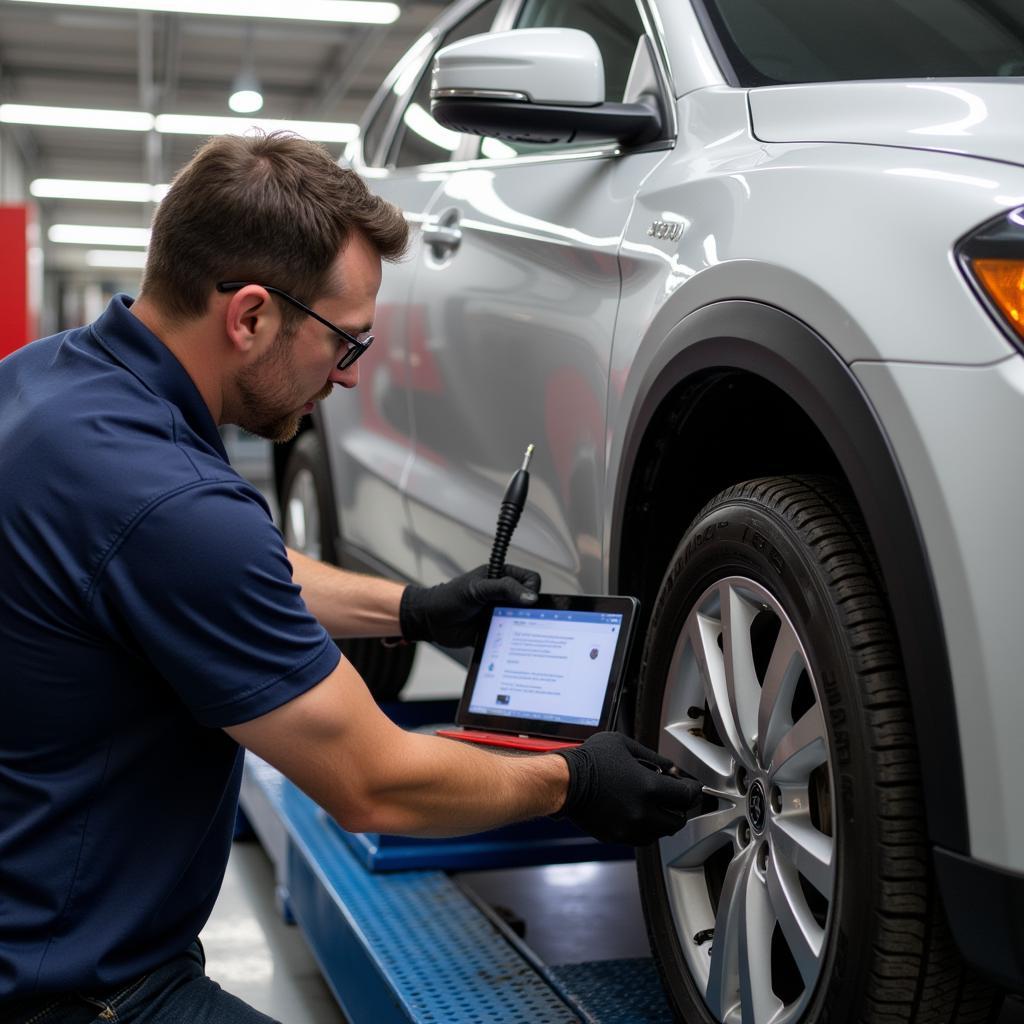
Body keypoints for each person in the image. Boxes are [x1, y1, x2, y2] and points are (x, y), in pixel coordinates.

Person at [0, 132, 701, 1023]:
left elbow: (213, 573)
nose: (346, 378)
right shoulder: (175, 508)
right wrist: (574, 780)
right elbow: (373, 782)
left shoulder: (49, 386)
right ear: (250, 315)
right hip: (77, 994)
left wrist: (410, 609)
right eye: (344, 344)